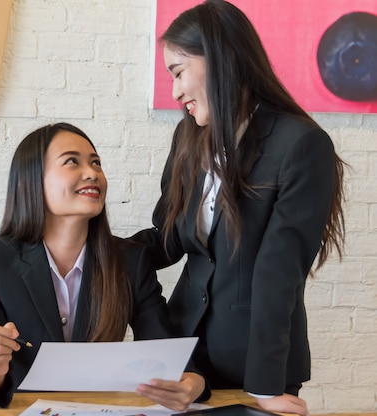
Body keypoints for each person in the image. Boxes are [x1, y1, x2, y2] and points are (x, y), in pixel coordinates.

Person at [131, 2, 346, 416]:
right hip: (185, 357)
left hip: (257, 364)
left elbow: (279, 272)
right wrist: (92, 246)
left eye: (178, 71)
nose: (175, 91)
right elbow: (169, 240)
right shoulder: (188, 137)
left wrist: (263, 387)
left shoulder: (300, 145)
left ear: (219, 57)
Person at [0, 123, 207, 409]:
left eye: (96, 163)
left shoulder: (130, 260)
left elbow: (167, 350)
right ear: (32, 179)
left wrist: (194, 382)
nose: (92, 173)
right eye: (71, 162)